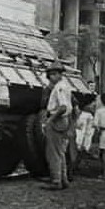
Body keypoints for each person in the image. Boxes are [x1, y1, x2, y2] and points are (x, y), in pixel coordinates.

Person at [42, 61, 72, 190]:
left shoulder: (59, 87)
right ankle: (63, 179)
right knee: (60, 152)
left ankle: (56, 181)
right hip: (63, 121)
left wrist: (50, 120)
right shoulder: (65, 86)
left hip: (57, 120)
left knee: (53, 152)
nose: (51, 77)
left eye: (53, 74)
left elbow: (63, 107)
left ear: (58, 74)